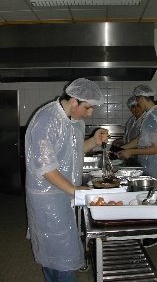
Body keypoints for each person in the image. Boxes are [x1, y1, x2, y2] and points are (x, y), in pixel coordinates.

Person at [25, 78, 109, 282]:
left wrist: (94, 141)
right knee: (60, 250)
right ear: (74, 100)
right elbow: (46, 168)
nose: (89, 113)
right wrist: (75, 190)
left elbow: (73, 152)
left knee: (57, 249)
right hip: (47, 197)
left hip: (63, 193)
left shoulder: (75, 121)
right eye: (87, 108)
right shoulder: (47, 119)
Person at [118, 85, 157, 195]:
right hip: (149, 162)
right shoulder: (150, 115)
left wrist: (131, 151)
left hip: (155, 165)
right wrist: (123, 148)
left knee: (156, 196)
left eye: (138, 101)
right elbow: (142, 138)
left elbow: (156, 148)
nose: (137, 104)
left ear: (142, 98)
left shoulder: (152, 117)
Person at [110, 96, 145, 165]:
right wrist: (118, 141)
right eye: (133, 106)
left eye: (138, 105)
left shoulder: (145, 120)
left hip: (141, 155)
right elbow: (128, 137)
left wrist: (122, 148)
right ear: (130, 109)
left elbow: (141, 140)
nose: (136, 109)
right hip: (129, 155)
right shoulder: (131, 120)